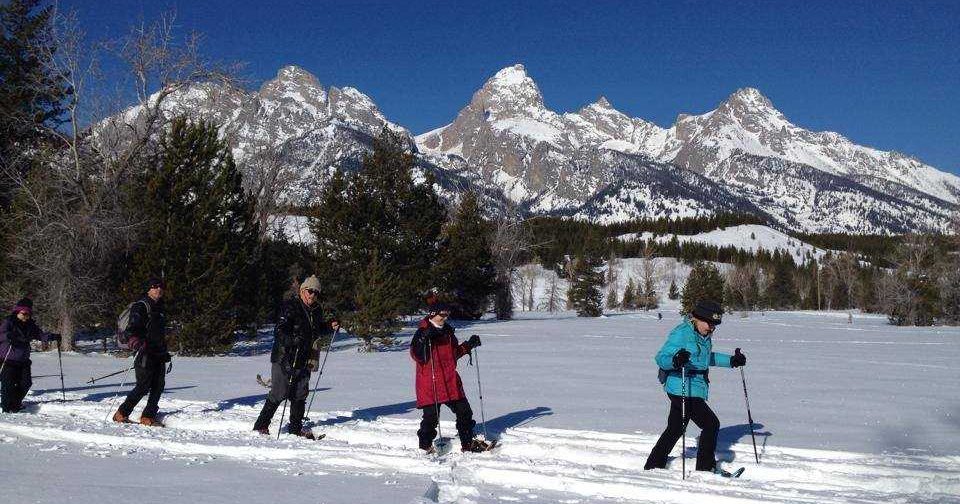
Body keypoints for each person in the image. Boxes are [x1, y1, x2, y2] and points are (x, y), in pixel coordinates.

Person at [644, 299, 747, 476]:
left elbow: (706, 358)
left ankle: (654, 463)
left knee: (675, 428)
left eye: (715, 325)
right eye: (709, 323)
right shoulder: (682, 333)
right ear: (698, 318)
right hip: (681, 386)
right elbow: (661, 357)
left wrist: (731, 361)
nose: (712, 328)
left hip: (694, 387)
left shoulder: (704, 336)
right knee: (711, 424)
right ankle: (705, 467)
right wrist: (675, 360)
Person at [253, 275, 338, 438]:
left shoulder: (316, 310)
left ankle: (295, 428)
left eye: (316, 292)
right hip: (284, 357)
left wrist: (329, 326)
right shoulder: (290, 306)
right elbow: (280, 331)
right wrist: (293, 340)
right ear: (302, 290)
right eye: (310, 291)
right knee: (279, 392)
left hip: (304, 357)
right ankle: (261, 425)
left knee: (300, 393)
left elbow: (316, 330)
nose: (312, 295)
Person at [410, 301, 490, 453]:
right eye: (442, 314)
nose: (445, 317)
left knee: (465, 412)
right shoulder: (422, 331)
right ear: (433, 314)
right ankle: (425, 446)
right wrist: (424, 340)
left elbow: (453, 355)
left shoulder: (447, 331)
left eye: (447, 314)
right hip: (430, 383)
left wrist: (468, 345)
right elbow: (417, 355)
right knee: (431, 418)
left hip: (450, 381)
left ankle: (467, 444)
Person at [113, 278, 170, 427]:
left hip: (158, 351)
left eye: (161, 287)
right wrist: (135, 341)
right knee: (143, 386)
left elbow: (159, 331)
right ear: (148, 289)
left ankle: (147, 417)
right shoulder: (141, 306)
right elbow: (133, 327)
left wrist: (164, 350)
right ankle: (121, 413)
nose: (158, 289)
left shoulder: (160, 307)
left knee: (158, 385)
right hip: (144, 351)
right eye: (155, 286)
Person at [0, 298, 51, 413]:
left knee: (26, 383)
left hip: (23, 360)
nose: (26, 316)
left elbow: (40, 335)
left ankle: (15, 404)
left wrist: (53, 337)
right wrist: (8, 336)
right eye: (24, 313)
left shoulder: (30, 325)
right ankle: (6, 408)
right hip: (7, 358)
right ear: (17, 312)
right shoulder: (8, 322)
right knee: (7, 385)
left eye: (28, 314)